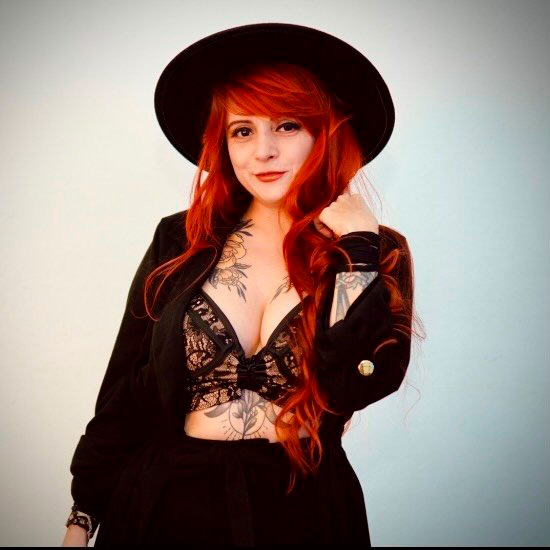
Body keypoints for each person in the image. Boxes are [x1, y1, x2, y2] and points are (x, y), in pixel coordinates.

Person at [62, 22, 417, 547]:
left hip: (305, 511)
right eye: (242, 131)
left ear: (324, 134)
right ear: (222, 143)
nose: (263, 151)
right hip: (165, 506)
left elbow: (355, 384)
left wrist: (357, 250)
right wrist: (83, 516)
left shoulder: (376, 251)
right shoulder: (181, 240)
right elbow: (124, 389)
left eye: (287, 126)